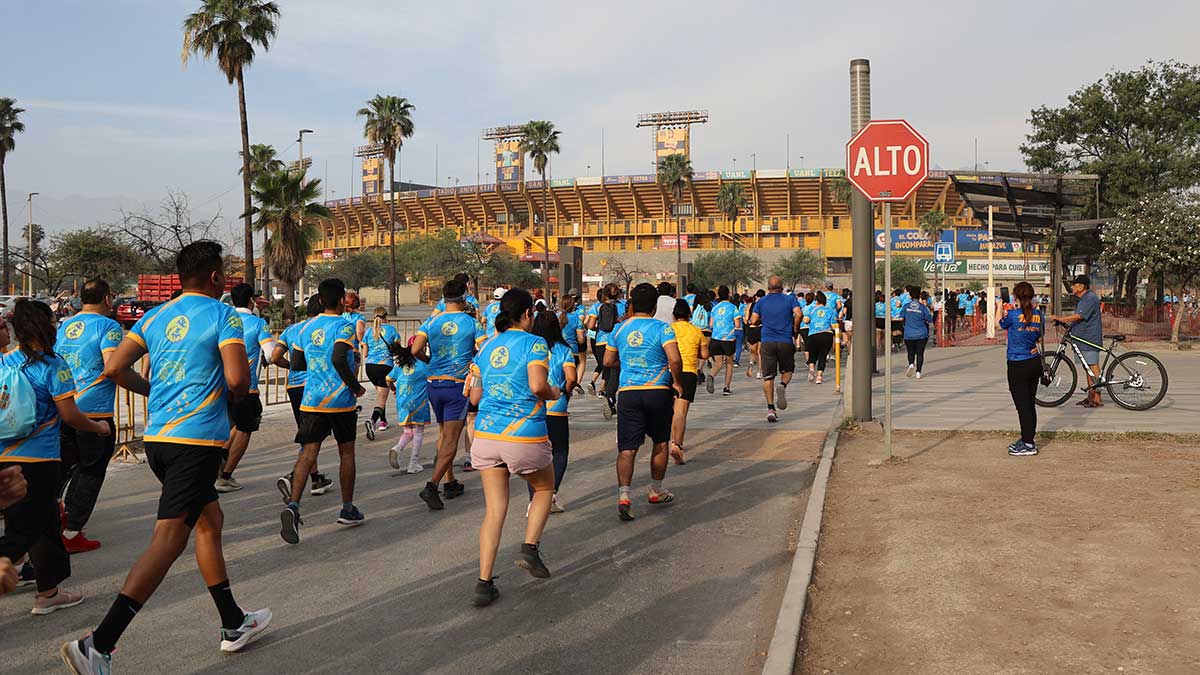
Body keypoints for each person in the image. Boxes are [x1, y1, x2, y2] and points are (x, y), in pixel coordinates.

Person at [65, 242, 270, 672]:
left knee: (210, 521)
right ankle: (99, 644)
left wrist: (152, 391)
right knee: (169, 539)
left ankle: (233, 622)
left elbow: (115, 369)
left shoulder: (154, 316)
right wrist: (241, 401)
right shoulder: (222, 314)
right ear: (215, 278)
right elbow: (236, 377)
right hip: (195, 443)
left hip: (158, 439)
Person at [1, 300, 110, 618]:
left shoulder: (7, 362)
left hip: (4, 457)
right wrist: (98, 427)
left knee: (46, 523)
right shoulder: (54, 365)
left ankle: (48, 593)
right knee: (24, 531)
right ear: (47, 325)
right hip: (39, 460)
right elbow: (71, 415)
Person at [467, 288, 561, 606]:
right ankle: (530, 547)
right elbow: (537, 385)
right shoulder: (535, 343)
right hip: (524, 435)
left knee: (494, 511)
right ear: (527, 314)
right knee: (545, 488)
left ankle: (483, 582)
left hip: (487, 436)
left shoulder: (485, 347)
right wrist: (553, 392)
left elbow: (475, 397)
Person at [279, 278, 368, 544]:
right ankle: (347, 508)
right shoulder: (344, 326)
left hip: (311, 398)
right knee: (346, 452)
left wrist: (316, 366)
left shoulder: (305, 327)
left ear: (319, 299)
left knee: (308, 452)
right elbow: (339, 357)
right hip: (340, 400)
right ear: (342, 300)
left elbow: (296, 362)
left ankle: (293, 506)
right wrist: (355, 387)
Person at [604, 283, 685, 521]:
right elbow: (675, 359)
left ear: (631, 304)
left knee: (627, 448)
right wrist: (677, 381)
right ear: (655, 305)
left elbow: (608, 361)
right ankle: (656, 490)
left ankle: (624, 496)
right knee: (660, 442)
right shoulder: (663, 328)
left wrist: (629, 364)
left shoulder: (619, 329)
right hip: (657, 391)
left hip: (628, 392)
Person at [55, 279, 123, 554]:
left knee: (63, 469)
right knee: (91, 472)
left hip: (65, 407)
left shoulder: (66, 325)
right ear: (108, 299)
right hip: (96, 411)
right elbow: (113, 366)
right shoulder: (109, 327)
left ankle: (53, 521)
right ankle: (71, 532)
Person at [410, 277, 482, 510]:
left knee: (443, 432)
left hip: (434, 383)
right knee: (452, 438)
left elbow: (414, 349)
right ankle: (432, 485)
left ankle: (450, 480)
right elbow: (483, 348)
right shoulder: (471, 322)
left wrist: (429, 360)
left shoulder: (431, 322)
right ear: (464, 297)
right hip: (457, 385)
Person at [272, 296, 334, 500]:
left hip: (294, 386)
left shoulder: (291, 330)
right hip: (315, 386)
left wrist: (290, 366)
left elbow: (274, 357)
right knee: (315, 434)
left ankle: (316, 478)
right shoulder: (322, 329)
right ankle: (293, 476)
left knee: (308, 433)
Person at [215, 283, 273, 493]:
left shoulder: (223, 321)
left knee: (233, 426)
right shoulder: (258, 324)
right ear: (251, 301)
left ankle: (219, 457)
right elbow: (269, 353)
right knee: (245, 429)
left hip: (221, 385)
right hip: (246, 387)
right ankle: (226, 475)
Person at [528, 308, 577, 513]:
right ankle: (551, 494)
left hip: (532, 408)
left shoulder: (528, 347)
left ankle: (534, 499)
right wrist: (565, 391)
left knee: (534, 456)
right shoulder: (563, 350)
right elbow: (572, 377)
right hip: (556, 407)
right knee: (559, 452)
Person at [999, 281, 1044, 456]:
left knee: (1022, 406)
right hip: (1034, 363)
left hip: (1017, 364)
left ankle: (1028, 443)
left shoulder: (1012, 314)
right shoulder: (1039, 315)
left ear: (1016, 296)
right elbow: (1039, 337)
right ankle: (1027, 438)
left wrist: (998, 307)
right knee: (1029, 404)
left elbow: (997, 325)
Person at [751, 276, 803, 422]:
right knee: (788, 370)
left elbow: (753, 320)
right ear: (781, 287)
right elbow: (798, 314)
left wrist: (763, 319)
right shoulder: (789, 299)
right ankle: (782, 385)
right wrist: (795, 328)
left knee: (768, 376)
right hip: (785, 340)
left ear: (768, 288)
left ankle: (770, 409)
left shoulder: (761, 301)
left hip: (767, 341)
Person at [1052, 275, 1103, 407]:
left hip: (1089, 338)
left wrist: (1061, 318)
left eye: (1074, 285)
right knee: (1088, 368)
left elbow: (1080, 315)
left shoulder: (1090, 297)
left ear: (1081, 286)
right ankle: (1090, 396)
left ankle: (1097, 398)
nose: (1073, 287)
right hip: (1082, 338)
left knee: (1092, 366)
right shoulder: (1083, 299)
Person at [669, 299, 707, 466]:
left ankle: (672, 442)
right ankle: (678, 445)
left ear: (674, 314)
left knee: (672, 411)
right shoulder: (696, 331)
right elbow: (705, 355)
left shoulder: (668, 329)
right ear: (689, 314)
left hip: (670, 372)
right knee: (681, 412)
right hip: (688, 372)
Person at [386, 339, 431, 475]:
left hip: (402, 402)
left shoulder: (400, 365)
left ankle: (398, 448)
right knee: (418, 432)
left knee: (407, 432)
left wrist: (394, 389)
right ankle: (413, 462)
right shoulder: (424, 365)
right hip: (419, 403)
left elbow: (388, 379)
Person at [363, 307, 401, 439]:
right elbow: (397, 348)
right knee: (381, 398)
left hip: (370, 367)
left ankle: (383, 421)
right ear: (386, 316)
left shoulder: (369, 332)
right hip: (385, 366)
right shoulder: (391, 330)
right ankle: (372, 421)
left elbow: (365, 353)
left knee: (380, 394)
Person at [588, 283, 624, 419]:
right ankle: (609, 397)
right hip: (616, 341)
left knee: (606, 369)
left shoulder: (597, 306)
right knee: (615, 370)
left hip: (600, 342)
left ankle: (606, 394)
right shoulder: (622, 305)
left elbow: (590, 326)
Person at [708, 285, 741, 395]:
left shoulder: (714, 308)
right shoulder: (733, 308)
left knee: (718, 362)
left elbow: (711, 324)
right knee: (729, 363)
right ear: (728, 294)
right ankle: (726, 387)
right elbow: (737, 324)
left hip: (715, 338)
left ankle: (711, 375)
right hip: (728, 339)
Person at [802, 292, 837, 385]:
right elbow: (834, 326)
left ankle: (812, 367)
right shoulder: (830, 311)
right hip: (826, 335)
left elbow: (805, 320)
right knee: (822, 355)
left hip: (813, 335)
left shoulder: (812, 310)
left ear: (816, 301)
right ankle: (819, 377)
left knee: (812, 354)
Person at [901, 286, 933, 379]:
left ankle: (911, 364)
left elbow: (901, 318)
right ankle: (918, 372)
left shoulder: (906, 306)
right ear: (919, 295)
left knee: (910, 352)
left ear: (910, 296)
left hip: (909, 334)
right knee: (920, 353)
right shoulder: (923, 307)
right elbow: (929, 319)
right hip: (921, 334)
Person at [743, 289, 764, 378]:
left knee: (753, 352)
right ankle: (759, 372)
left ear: (756, 296)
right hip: (762, 328)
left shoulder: (750, 305)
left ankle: (751, 366)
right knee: (760, 352)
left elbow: (747, 319)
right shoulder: (765, 305)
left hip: (752, 329)